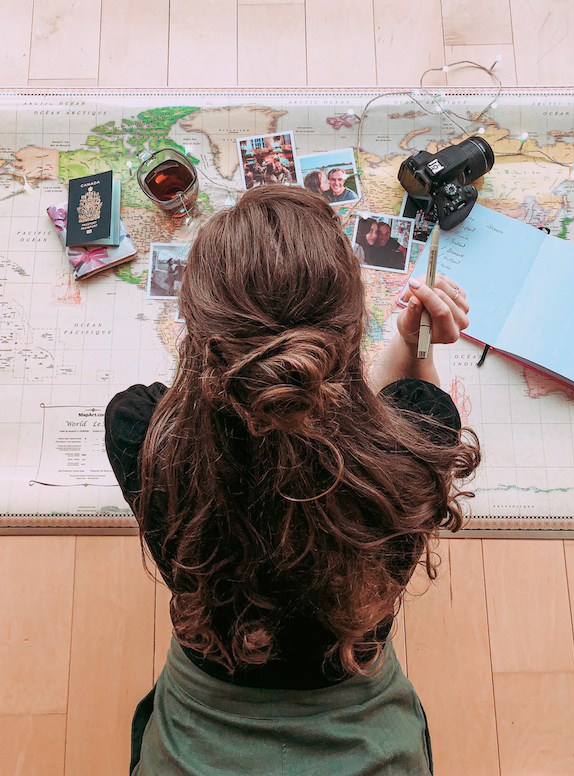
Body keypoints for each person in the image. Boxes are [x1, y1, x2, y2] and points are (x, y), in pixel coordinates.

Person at [105, 185, 479, 776]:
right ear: (350, 332)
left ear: (197, 332)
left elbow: (245, 412)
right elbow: (398, 413)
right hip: (363, 727)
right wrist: (411, 345)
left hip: (196, 731)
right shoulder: (419, 436)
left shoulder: (140, 430)